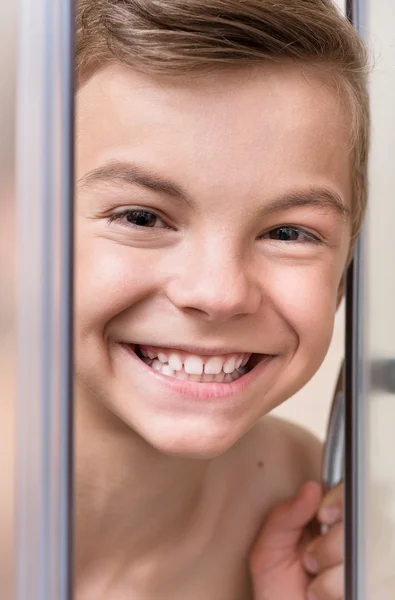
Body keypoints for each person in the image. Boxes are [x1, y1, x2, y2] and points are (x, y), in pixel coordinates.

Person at [74, 1, 369, 599]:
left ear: (345, 275)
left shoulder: (315, 504)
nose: (219, 292)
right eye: (140, 216)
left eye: (288, 233)